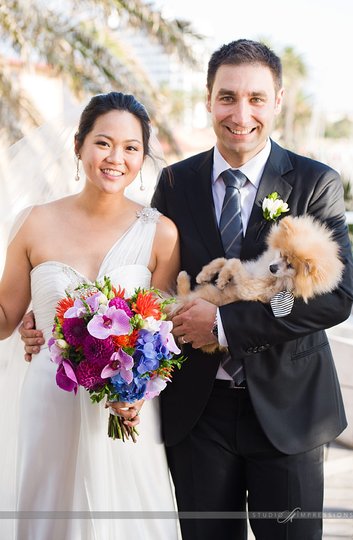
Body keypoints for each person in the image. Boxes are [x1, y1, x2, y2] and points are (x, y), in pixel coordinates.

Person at [20, 40, 353, 540]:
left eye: (256, 99)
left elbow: (336, 295)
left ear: (278, 100)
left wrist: (222, 324)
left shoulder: (315, 182)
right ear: (208, 99)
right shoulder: (177, 182)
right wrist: (52, 318)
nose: (241, 113)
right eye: (227, 97)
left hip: (290, 413)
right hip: (197, 416)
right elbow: (142, 278)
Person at [0, 91, 180, 540]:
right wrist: (27, 322)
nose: (115, 158)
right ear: (78, 145)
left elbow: (160, 339)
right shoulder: (33, 223)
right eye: (103, 143)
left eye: (131, 147)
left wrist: (138, 394)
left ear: (143, 157)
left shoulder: (160, 233)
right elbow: (6, 315)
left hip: (123, 412)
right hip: (51, 401)